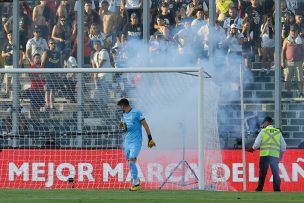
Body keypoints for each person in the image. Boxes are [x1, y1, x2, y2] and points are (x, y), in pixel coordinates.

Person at [117, 98, 156, 191]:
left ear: (123, 105)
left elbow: (145, 125)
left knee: (131, 160)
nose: (120, 108)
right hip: (127, 142)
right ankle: (135, 183)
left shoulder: (137, 113)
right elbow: (125, 129)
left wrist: (150, 138)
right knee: (131, 163)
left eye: (120, 106)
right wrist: (123, 128)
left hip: (136, 141)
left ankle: (136, 183)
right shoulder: (123, 115)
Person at [246, 116, 287, 192]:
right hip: (274, 156)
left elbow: (256, 144)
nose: (263, 125)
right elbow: (284, 146)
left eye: (264, 123)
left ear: (268, 122)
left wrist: (251, 149)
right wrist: (280, 155)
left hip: (264, 156)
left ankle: (259, 189)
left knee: (262, 174)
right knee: (275, 173)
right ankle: (277, 190)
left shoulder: (263, 131)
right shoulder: (278, 132)